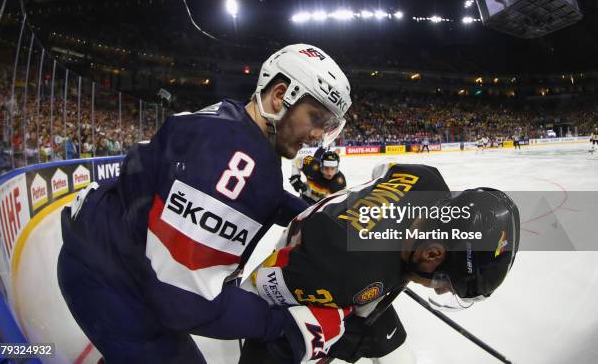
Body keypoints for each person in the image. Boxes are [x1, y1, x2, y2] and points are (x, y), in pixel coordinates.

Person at [57, 43, 352, 364]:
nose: (317, 135)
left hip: (109, 253)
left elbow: (249, 193)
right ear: (280, 95)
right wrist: (284, 324)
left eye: (326, 125)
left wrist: (308, 213)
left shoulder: (235, 121)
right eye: (315, 118)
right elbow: (182, 302)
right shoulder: (238, 157)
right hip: (111, 282)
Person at [239, 162, 520, 363]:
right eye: (445, 281)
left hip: (345, 267)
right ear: (431, 254)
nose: (438, 289)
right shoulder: (344, 269)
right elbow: (257, 290)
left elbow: (380, 174)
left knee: (393, 348)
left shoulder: (429, 180)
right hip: (318, 272)